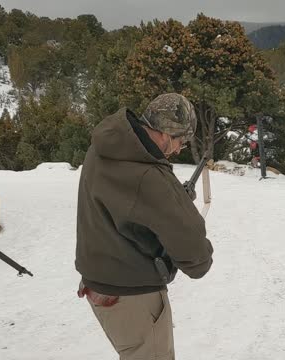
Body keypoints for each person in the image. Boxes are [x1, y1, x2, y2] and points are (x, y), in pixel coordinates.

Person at [75, 93, 214, 359]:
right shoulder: (150, 176)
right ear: (166, 134)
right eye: (181, 142)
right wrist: (175, 202)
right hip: (133, 296)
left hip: (98, 283)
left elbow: (124, 205)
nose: (177, 150)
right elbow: (194, 252)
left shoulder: (103, 149)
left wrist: (171, 200)